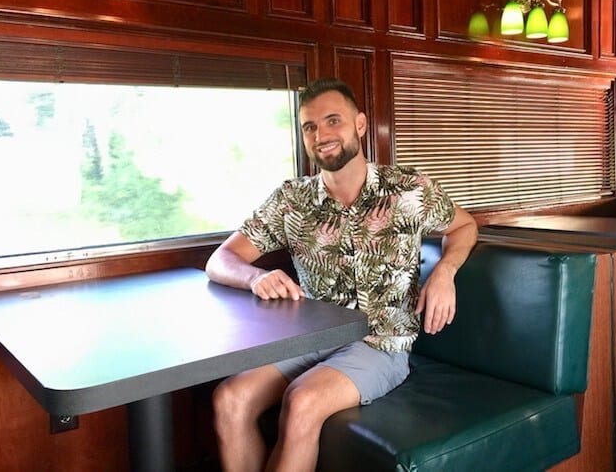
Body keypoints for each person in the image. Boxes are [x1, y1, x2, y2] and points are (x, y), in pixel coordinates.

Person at [205, 77, 478, 472]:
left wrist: (444, 272)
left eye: (334, 121)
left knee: (303, 401)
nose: (322, 135)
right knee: (230, 397)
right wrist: (253, 278)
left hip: (381, 342)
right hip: (311, 335)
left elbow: (465, 226)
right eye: (310, 127)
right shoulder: (290, 200)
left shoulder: (408, 188)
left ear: (360, 125)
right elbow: (221, 259)